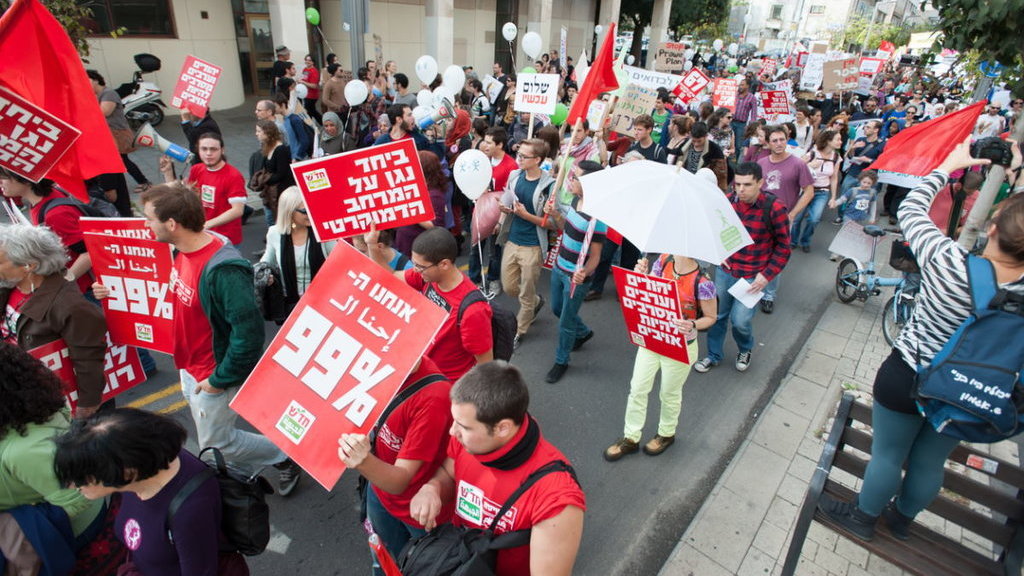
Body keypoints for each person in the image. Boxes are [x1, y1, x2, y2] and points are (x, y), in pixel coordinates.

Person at [819, 139, 1024, 541]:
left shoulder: (949, 260)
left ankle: (863, 518)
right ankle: (901, 521)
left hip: (908, 372)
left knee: (889, 455)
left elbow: (909, 208)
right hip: (964, 390)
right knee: (931, 464)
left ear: (992, 229)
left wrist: (947, 165)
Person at [92, 183, 301, 493]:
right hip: (190, 367)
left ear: (172, 224)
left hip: (212, 372)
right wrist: (116, 292)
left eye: (149, 219)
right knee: (214, 440)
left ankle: (283, 456)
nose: (145, 226)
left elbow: (249, 336)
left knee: (218, 443)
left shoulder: (224, 269)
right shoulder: (183, 249)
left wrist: (219, 379)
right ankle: (246, 468)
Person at [408, 362, 585, 575]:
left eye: (463, 426)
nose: (452, 432)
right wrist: (432, 488)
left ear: (503, 428)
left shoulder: (556, 497)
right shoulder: (467, 440)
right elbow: (449, 473)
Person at [55, 408, 244, 576]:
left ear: (128, 471)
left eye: (82, 478)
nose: (72, 486)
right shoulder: (143, 468)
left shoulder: (190, 511)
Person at [0, 342, 120, 575]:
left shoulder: (28, 451)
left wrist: (20, 523)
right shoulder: (35, 406)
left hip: (74, 533)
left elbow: (77, 498)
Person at [338, 357, 453, 573]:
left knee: (422, 568)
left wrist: (363, 461)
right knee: (383, 559)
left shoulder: (434, 397)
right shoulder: (377, 365)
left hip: (419, 510)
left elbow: (399, 481)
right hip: (379, 493)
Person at [604, 251, 717, 461]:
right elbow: (650, 294)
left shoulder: (703, 282)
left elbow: (711, 317)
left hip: (681, 345)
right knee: (637, 388)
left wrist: (692, 324)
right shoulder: (663, 261)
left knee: (669, 394)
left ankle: (666, 434)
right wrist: (641, 276)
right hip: (653, 338)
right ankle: (630, 437)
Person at [693, 162, 791, 374]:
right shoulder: (726, 202)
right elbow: (714, 231)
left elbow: (784, 247)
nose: (741, 190)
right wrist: (719, 253)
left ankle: (745, 348)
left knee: (740, 321)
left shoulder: (774, 208)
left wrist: (766, 276)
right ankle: (713, 355)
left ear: (760, 183)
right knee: (717, 316)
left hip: (753, 278)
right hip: (726, 272)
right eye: (737, 184)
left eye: (747, 184)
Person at [0, 224, 106, 418]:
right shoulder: (10, 287)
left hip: (57, 404)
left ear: (29, 266)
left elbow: (89, 359)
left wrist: (87, 406)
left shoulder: (69, 305)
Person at [368, 227, 493, 381]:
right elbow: (391, 276)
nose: (416, 270)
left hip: (449, 387)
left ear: (444, 264)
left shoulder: (473, 310)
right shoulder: (428, 277)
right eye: (415, 264)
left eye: (420, 267)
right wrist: (372, 246)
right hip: (425, 373)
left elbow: (486, 367)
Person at [541, 161, 607, 384]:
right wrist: (556, 215)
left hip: (575, 278)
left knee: (565, 322)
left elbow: (596, 256)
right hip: (559, 266)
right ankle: (584, 332)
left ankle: (562, 361)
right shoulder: (576, 200)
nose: (571, 179)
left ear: (587, 183)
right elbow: (564, 227)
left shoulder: (598, 218)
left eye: (576, 177)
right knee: (557, 308)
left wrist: (584, 272)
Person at [498, 139, 555, 349]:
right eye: (518, 155)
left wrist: (527, 215)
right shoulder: (515, 176)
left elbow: (553, 223)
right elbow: (507, 200)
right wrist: (503, 210)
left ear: (537, 160)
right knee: (509, 286)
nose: (518, 159)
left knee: (525, 293)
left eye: (524, 156)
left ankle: (520, 330)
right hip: (512, 239)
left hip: (533, 245)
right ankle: (535, 302)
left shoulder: (549, 187)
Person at [756, 125, 813, 312]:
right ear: (768, 143)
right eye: (775, 140)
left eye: (782, 139)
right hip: (760, 217)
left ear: (787, 139)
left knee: (775, 257)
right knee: (757, 253)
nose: (779, 144)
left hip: (783, 219)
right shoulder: (762, 163)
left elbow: (809, 192)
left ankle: (769, 295)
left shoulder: (798, 164)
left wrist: (793, 214)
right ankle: (755, 286)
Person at [159, 132, 246, 246]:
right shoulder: (196, 169)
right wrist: (168, 172)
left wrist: (206, 224)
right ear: (198, 150)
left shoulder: (233, 176)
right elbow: (183, 195)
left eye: (213, 149)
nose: (208, 153)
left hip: (225, 239)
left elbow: (237, 210)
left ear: (222, 150)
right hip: (202, 235)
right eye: (204, 149)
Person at [260, 186, 336, 315]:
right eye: (305, 211)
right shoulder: (275, 233)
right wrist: (265, 275)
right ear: (289, 211)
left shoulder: (322, 230)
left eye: (312, 208)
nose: (310, 214)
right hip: (290, 305)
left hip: (324, 302)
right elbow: (267, 262)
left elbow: (338, 261)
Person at [469, 127, 518, 295]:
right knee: (476, 247)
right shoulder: (483, 160)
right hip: (481, 210)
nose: (485, 145)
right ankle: (474, 280)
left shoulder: (511, 165)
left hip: (498, 213)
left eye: (489, 142)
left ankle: (493, 280)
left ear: (500, 144)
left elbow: (510, 194)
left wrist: (501, 220)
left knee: (494, 250)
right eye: (485, 141)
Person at [85, 69, 136, 215]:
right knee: (123, 160)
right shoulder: (95, 97)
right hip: (109, 139)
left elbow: (103, 112)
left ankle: (144, 182)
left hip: (116, 134)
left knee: (123, 160)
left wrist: (109, 187)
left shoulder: (108, 94)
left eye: (87, 80)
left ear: (96, 80)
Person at [791, 129, 841, 253]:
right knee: (797, 218)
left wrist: (833, 197)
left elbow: (834, 177)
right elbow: (796, 167)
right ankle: (793, 240)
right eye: (838, 139)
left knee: (814, 219)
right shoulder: (813, 153)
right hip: (806, 190)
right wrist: (809, 166)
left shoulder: (836, 157)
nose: (841, 142)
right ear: (829, 141)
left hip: (822, 192)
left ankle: (805, 241)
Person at [394, 151, 448, 256]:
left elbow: (437, 227)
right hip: (406, 245)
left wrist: (414, 211)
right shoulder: (416, 189)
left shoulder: (434, 195)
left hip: (419, 250)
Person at [255, 119, 294, 227]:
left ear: (267, 132)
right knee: (270, 218)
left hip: (280, 192)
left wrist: (264, 180)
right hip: (271, 192)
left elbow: (282, 173)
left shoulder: (280, 150)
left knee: (274, 220)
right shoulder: (266, 147)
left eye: (259, 131)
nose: (256, 134)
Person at [928, 171, 983, 237]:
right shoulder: (940, 190)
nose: (958, 187)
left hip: (948, 239)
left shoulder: (977, 199)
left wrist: (956, 231)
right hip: (928, 232)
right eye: (959, 187)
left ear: (975, 189)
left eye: (968, 193)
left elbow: (970, 225)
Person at [675, 122, 727, 191]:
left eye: (699, 141)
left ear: (706, 136)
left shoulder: (715, 150)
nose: (696, 144)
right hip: (684, 182)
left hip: (703, 187)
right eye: (693, 141)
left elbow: (721, 176)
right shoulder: (684, 145)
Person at [731, 78, 759, 145]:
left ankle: (737, 156)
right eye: (740, 85)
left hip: (741, 124)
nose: (740, 86)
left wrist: (752, 125)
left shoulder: (752, 98)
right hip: (730, 121)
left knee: (738, 144)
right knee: (729, 142)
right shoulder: (734, 95)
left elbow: (754, 112)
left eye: (742, 85)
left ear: (748, 86)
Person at [299, 54, 322, 124]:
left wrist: (303, 82)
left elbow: (314, 86)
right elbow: (304, 80)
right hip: (305, 94)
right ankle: (320, 124)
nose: (307, 61)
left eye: (309, 60)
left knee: (309, 112)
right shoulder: (305, 69)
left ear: (313, 62)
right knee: (312, 111)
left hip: (312, 95)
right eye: (306, 60)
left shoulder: (314, 71)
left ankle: (311, 126)